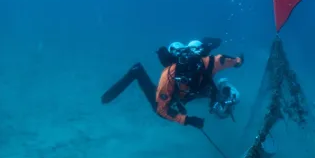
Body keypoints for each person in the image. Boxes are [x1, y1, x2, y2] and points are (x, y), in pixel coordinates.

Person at [101, 38, 243, 129]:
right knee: (156, 105)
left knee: (214, 92)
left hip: (195, 91)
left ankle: (221, 93)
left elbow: (227, 60)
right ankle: (137, 72)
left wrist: (238, 61)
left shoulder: (209, 62)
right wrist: (187, 120)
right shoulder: (169, 77)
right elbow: (161, 110)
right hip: (176, 95)